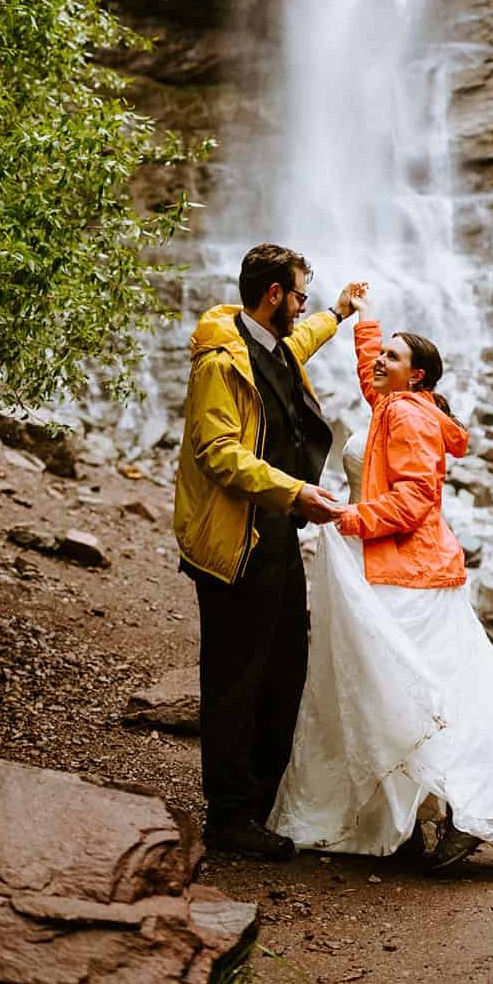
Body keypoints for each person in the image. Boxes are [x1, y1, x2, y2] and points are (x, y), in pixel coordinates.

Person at [270, 290, 493, 871]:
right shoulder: (397, 405)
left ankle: (458, 811)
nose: (380, 364)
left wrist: (345, 517)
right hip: (405, 566)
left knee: (402, 693)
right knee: (417, 691)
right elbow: (377, 397)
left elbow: (415, 499)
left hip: (403, 571)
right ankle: (429, 813)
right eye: (383, 353)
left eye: (393, 357)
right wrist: (362, 320)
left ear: (416, 376)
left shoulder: (405, 413)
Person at [175, 242, 363, 861]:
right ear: (275, 295)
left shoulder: (274, 341)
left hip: (276, 528)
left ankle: (265, 799)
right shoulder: (219, 362)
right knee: (235, 675)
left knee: (285, 667)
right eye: (301, 295)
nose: (303, 307)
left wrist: (336, 314)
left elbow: (300, 341)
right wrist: (297, 491)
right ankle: (229, 815)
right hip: (234, 538)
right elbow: (218, 452)